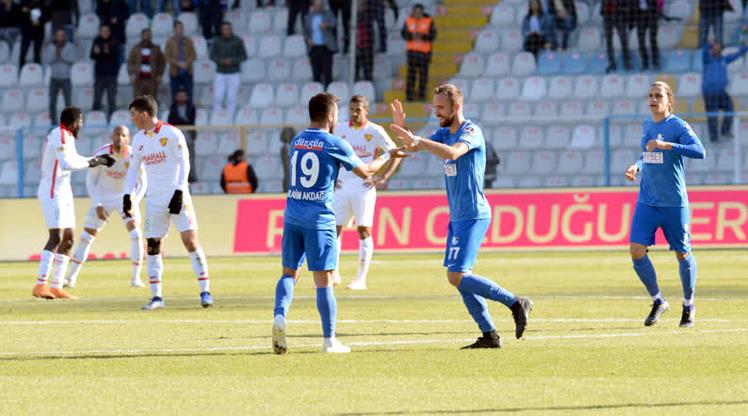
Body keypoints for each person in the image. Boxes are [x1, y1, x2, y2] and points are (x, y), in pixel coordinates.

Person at [388, 85, 533, 349]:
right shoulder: (443, 132)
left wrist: (418, 141)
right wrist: (406, 132)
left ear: (456, 108)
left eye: (441, 108)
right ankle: (489, 334)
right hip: (457, 217)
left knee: (456, 275)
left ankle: (515, 302)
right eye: (434, 107)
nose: (436, 112)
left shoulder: (471, 131)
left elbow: (454, 152)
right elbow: (415, 146)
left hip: (474, 214)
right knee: (460, 277)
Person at [271, 92, 407, 355]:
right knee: (323, 280)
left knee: (289, 273)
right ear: (331, 116)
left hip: (292, 215)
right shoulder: (334, 142)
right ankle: (329, 340)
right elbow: (366, 171)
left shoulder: (297, 140)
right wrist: (387, 155)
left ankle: (279, 317)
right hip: (319, 219)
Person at [624, 81, 706, 328]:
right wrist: (637, 165)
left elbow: (700, 151)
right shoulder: (647, 124)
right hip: (648, 200)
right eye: (650, 95)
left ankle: (688, 304)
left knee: (682, 254)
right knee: (636, 249)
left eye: (658, 95)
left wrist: (668, 145)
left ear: (668, 100)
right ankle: (658, 300)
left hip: (674, 203)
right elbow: (649, 154)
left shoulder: (678, 125)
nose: (653, 99)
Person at [124, 95, 213, 310]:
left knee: (190, 241)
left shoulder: (172, 134)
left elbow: (184, 162)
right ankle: (157, 298)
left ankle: (205, 291)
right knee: (153, 245)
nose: (133, 120)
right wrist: (127, 195)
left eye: (134, 115)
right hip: (154, 199)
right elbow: (134, 168)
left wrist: (180, 191)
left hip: (177, 195)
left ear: (144, 114)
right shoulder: (138, 139)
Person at [32, 107, 115, 300]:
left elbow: (75, 159)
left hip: (64, 190)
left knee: (69, 238)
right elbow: (66, 163)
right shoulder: (59, 135)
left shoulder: (67, 136)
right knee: (56, 237)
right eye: (81, 121)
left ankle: (56, 286)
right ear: (74, 122)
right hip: (52, 190)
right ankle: (40, 284)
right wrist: (93, 162)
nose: (82, 125)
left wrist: (97, 160)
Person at [332, 95, 401, 290]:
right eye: (352, 109)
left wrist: (383, 177)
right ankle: (333, 273)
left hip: (363, 187)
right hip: (341, 186)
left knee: (363, 230)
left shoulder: (375, 131)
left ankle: (360, 279)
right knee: (334, 230)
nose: (354, 113)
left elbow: (395, 152)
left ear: (366, 111)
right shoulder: (340, 128)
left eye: (358, 110)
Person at [64, 126, 147, 289]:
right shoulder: (102, 154)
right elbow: (91, 180)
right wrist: (97, 204)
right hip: (103, 197)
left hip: (125, 197)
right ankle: (70, 278)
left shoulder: (133, 155)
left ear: (128, 139)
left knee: (136, 234)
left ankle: (136, 278)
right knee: (87, 237)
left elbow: (143, 183)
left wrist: (133, 202)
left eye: (124, 135)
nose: (120, 138)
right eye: (117, 134)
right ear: (112, 136)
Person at [702, 40, 748, 142]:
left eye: (718, 46)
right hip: (710, 93)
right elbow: (704, 49)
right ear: (711, 49)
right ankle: (714, 138)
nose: (716, 48)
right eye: (714, 47)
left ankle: (725, 131)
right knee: (712, 116)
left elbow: (737, 54)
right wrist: (710, 42)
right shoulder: (707, 59)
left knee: (730, 109)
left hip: (721, 92)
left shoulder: (724, 59)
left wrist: (745, 47)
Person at [210, 21, 246, 117]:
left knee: (232, 98)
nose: (227, 31)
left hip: (234, 73)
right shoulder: (217, 41)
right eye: (225, 29)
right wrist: (220, 60)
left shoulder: (237, 40)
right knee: (218, 97)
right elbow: (212, 55)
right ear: (221, 30)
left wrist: (232, 61)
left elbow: (244, 56)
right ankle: (217, 118)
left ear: (231, 30)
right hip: (220, 72)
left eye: (228, 29)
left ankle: (230, 119)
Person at [402, 3, 435, 102]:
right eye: (415, 12)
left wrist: (422, 36)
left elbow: (433, 35)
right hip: (412, 52)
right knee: (411, 75)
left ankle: (421, 95)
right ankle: (409, 96)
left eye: (419, 12)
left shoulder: (428, 21)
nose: (417, 14)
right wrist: (412, 36)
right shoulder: (408, 21)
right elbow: (403, 34)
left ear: (422, 12)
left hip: (424, 53)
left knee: (423, 75)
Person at [43, 29, 77, 124]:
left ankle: (68, 123)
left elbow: (72, 60)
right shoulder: (51, 47)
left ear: (65, 36)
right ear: (56, 37)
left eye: (62, 35)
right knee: (52, 102)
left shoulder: (70, 46)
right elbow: (47, 60)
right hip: (54, 78)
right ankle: (53, 123)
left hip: (66, 78)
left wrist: (60, 55)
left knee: (68, 102)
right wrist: (55, 55)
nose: (60, 37)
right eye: (58, 35)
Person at [91, 24, 121, 118]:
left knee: (111, 99)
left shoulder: (114, 41)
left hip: (112, 75)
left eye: (106, 31)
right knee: (97, 99)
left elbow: (117, 56)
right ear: (100, 32)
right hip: (99, 75)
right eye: (102, 31)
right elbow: (92, 56)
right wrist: (95, 53)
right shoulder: (96, 41)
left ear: (109, 32)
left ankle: (111, 119)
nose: (104, 33)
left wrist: (108, 52)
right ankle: (95, 119)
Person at [167, 88, 198, 182]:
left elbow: (191, 121)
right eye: (179, 96)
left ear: (187, 97)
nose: (181, 98)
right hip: (176, 134)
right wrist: (183, 120)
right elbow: (171, 121)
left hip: (188, 133)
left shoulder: (191, 107)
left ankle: (191, 175)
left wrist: (181, 121)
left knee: (190, 155)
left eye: (183, 96)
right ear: (176, 97)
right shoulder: (172, 107)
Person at [305, 0, 336, 88]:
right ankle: (318, 95)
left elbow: (334, 22)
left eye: (320, 4)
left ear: (322, 5)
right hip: (314, 47)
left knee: (327, 72)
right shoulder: (308, 17)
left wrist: (327, 25)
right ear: (313, 5)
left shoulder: (328, 14)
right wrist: (308, 39)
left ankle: (328, 95)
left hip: (326, 47)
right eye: (316, 4)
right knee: (316, 72)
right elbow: (306, 32)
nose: (318, 6)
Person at [127, 28, 165, 101]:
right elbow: (130, 62)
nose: (147, 36)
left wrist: (160, 74)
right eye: (146, 34)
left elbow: (162, 62)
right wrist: (131, 74)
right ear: (142, 36)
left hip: (152, 80)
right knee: (138, 103)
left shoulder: (156, 48)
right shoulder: (136, 48)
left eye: (149, 35)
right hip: (139, 80)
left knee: (151, 103)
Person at [165, 20, 196, 102]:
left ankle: (189, 113)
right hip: (174, 71)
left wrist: (187, 63)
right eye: (178, 28)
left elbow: (193, 55)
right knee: (175, 94)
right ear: (174, 29)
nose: (180, 29)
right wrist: (178, 64)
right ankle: (175, 113)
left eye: (181, 28)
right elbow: (167, 56)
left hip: (187, 71)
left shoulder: (188, 40)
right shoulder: (169, 41)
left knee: (189, 93)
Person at [602, 0, 632, 73]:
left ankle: (626, 62)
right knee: (609, 42)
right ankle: (611, 63)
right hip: (607, 16)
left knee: (623, 40)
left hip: (619, 16)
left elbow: (626, 4)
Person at [19, 0, 46, 67]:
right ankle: (21, 70)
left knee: (37, 52)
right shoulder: (24, 2)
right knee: (23, 51)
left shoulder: (43, 3)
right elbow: (20, 14)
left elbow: (47, 15)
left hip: (39, 30)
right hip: (27, 30)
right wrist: (27, 11)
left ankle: (37, 69)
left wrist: (40, 21)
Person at [635, 0, 660, 70]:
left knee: (653, 40)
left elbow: (656, 5)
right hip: (640, 18)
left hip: (652, 17)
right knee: (641, 41)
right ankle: (644, 62)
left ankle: (655, 62)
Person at [354, 0, 375, 81]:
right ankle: (356, 86)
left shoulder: (369, 16)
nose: (361, 7)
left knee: (368, 70)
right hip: (357, 46)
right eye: (360, 5)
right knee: (356, 69)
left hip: (367, 46)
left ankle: (368, 85)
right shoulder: (354, 17)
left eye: (363, 5)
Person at [280, 127, 295, 192]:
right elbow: (286, 165)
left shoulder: (295, 147)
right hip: (288, 178)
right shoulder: (283, 149)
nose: (287, 136)